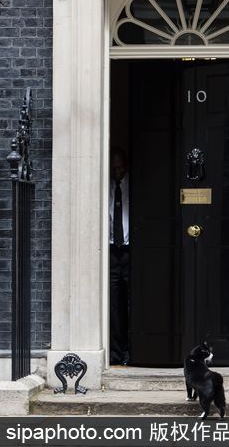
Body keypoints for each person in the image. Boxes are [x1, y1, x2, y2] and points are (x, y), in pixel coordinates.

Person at [109, 147, 130, 365]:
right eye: (114, 167)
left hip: (131, 251)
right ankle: (117, 351)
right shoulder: (105, 188)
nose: (117, 171)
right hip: (111, 253)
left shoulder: (133, 186)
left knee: (134, 303)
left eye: (120, 167)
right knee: (114, 306)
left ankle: (133, 350)